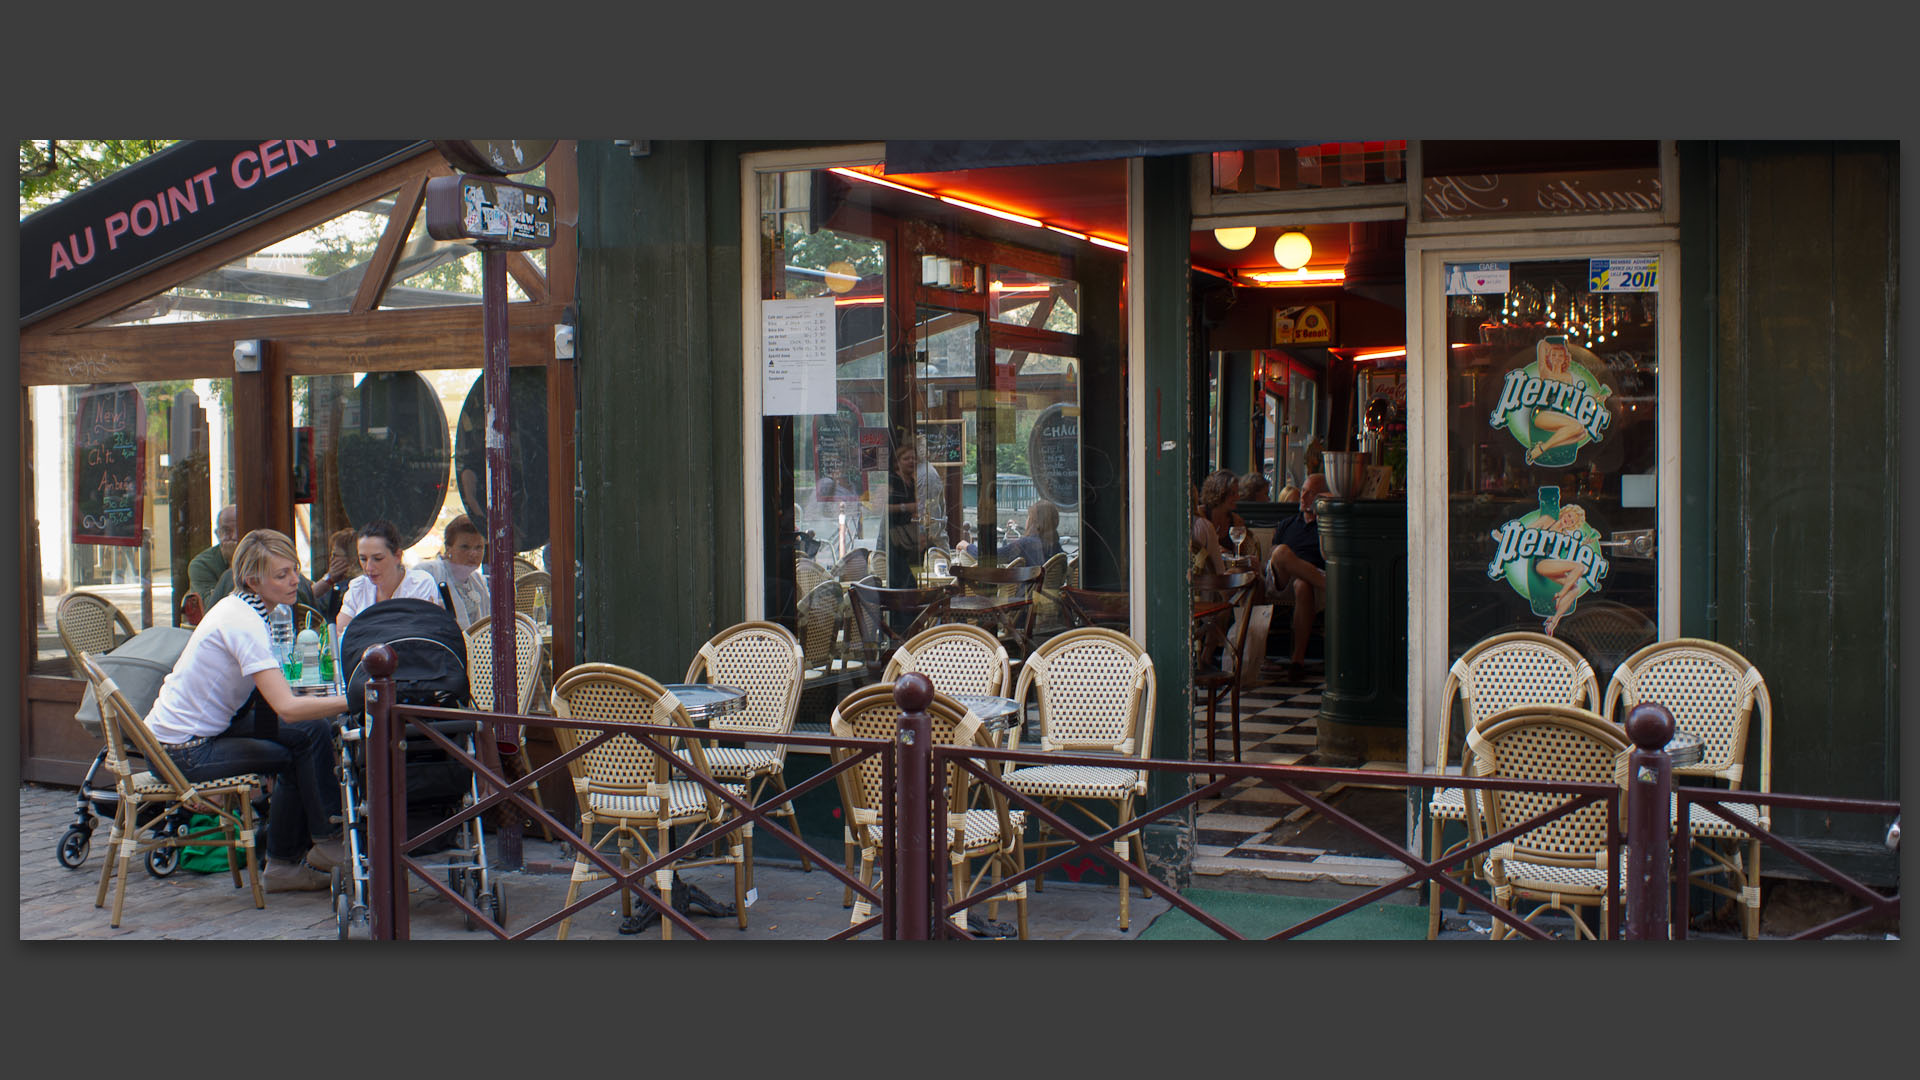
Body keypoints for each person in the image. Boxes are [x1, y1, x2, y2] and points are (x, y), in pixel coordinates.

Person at [144, 528, 350, 892]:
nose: (294, 582)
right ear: (254, 581)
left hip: (202, 729)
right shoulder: (245, 624)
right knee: (297, 747)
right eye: (281, 575)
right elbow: (286, 707)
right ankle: (315, 849)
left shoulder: (239, 606)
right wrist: (358, 700)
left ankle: (303, 854)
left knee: (312, 730)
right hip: (182, 751)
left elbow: (278, 698)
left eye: (295, 570)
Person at [1266, 472, 1329, 682]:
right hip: (1282, 580)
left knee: (1303, 585)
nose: (1303, 497)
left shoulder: (1327, 526)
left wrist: (1322, 519)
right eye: (1303, 491)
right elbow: (1274, 557)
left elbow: (1327, 556)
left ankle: (1297, 661)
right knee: (1282, 552)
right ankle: (1333, 588)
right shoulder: (1287, 523)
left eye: (1311, 494)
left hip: (1313, 583)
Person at [335, 519, 440, 634]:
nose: (369, 567)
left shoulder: (419, 584)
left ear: (397, 556)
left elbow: (418, 634)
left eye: (378, 558)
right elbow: (340, 635)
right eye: (363, 559)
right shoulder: (358, 587)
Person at [417, 514, 491, 630]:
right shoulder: (428, 573)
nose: (473, 554)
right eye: (465, 547)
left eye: (478, 547)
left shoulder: (479, 582)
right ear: (448, 548)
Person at [186, 504, 238, 604]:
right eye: (226, 531)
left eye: (239, 529)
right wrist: (235, 561)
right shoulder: (202, 565)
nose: (234, 536)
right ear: (217, 534)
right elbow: (213, 607)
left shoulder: (262, 555)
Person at [310, 527, 360, 622]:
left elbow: (311, 602)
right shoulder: (337, 584)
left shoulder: (350, 588)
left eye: (335, 555)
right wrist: (329, 579)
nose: (331, 559)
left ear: (352, 560)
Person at [1199, 469, 1245, 558]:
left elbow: (1239, 556)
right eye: (1232, 493)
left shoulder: (1237, 521)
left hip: (1228, 568)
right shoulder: (1201, 515)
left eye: (1237, 493)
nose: (1238, 497)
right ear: (1219, 493)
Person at [1004, 499, 1062, 568]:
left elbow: (995, 556)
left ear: (1033, 521)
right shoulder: (1055, 544)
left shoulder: (1026, 543)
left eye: (1029, 516)